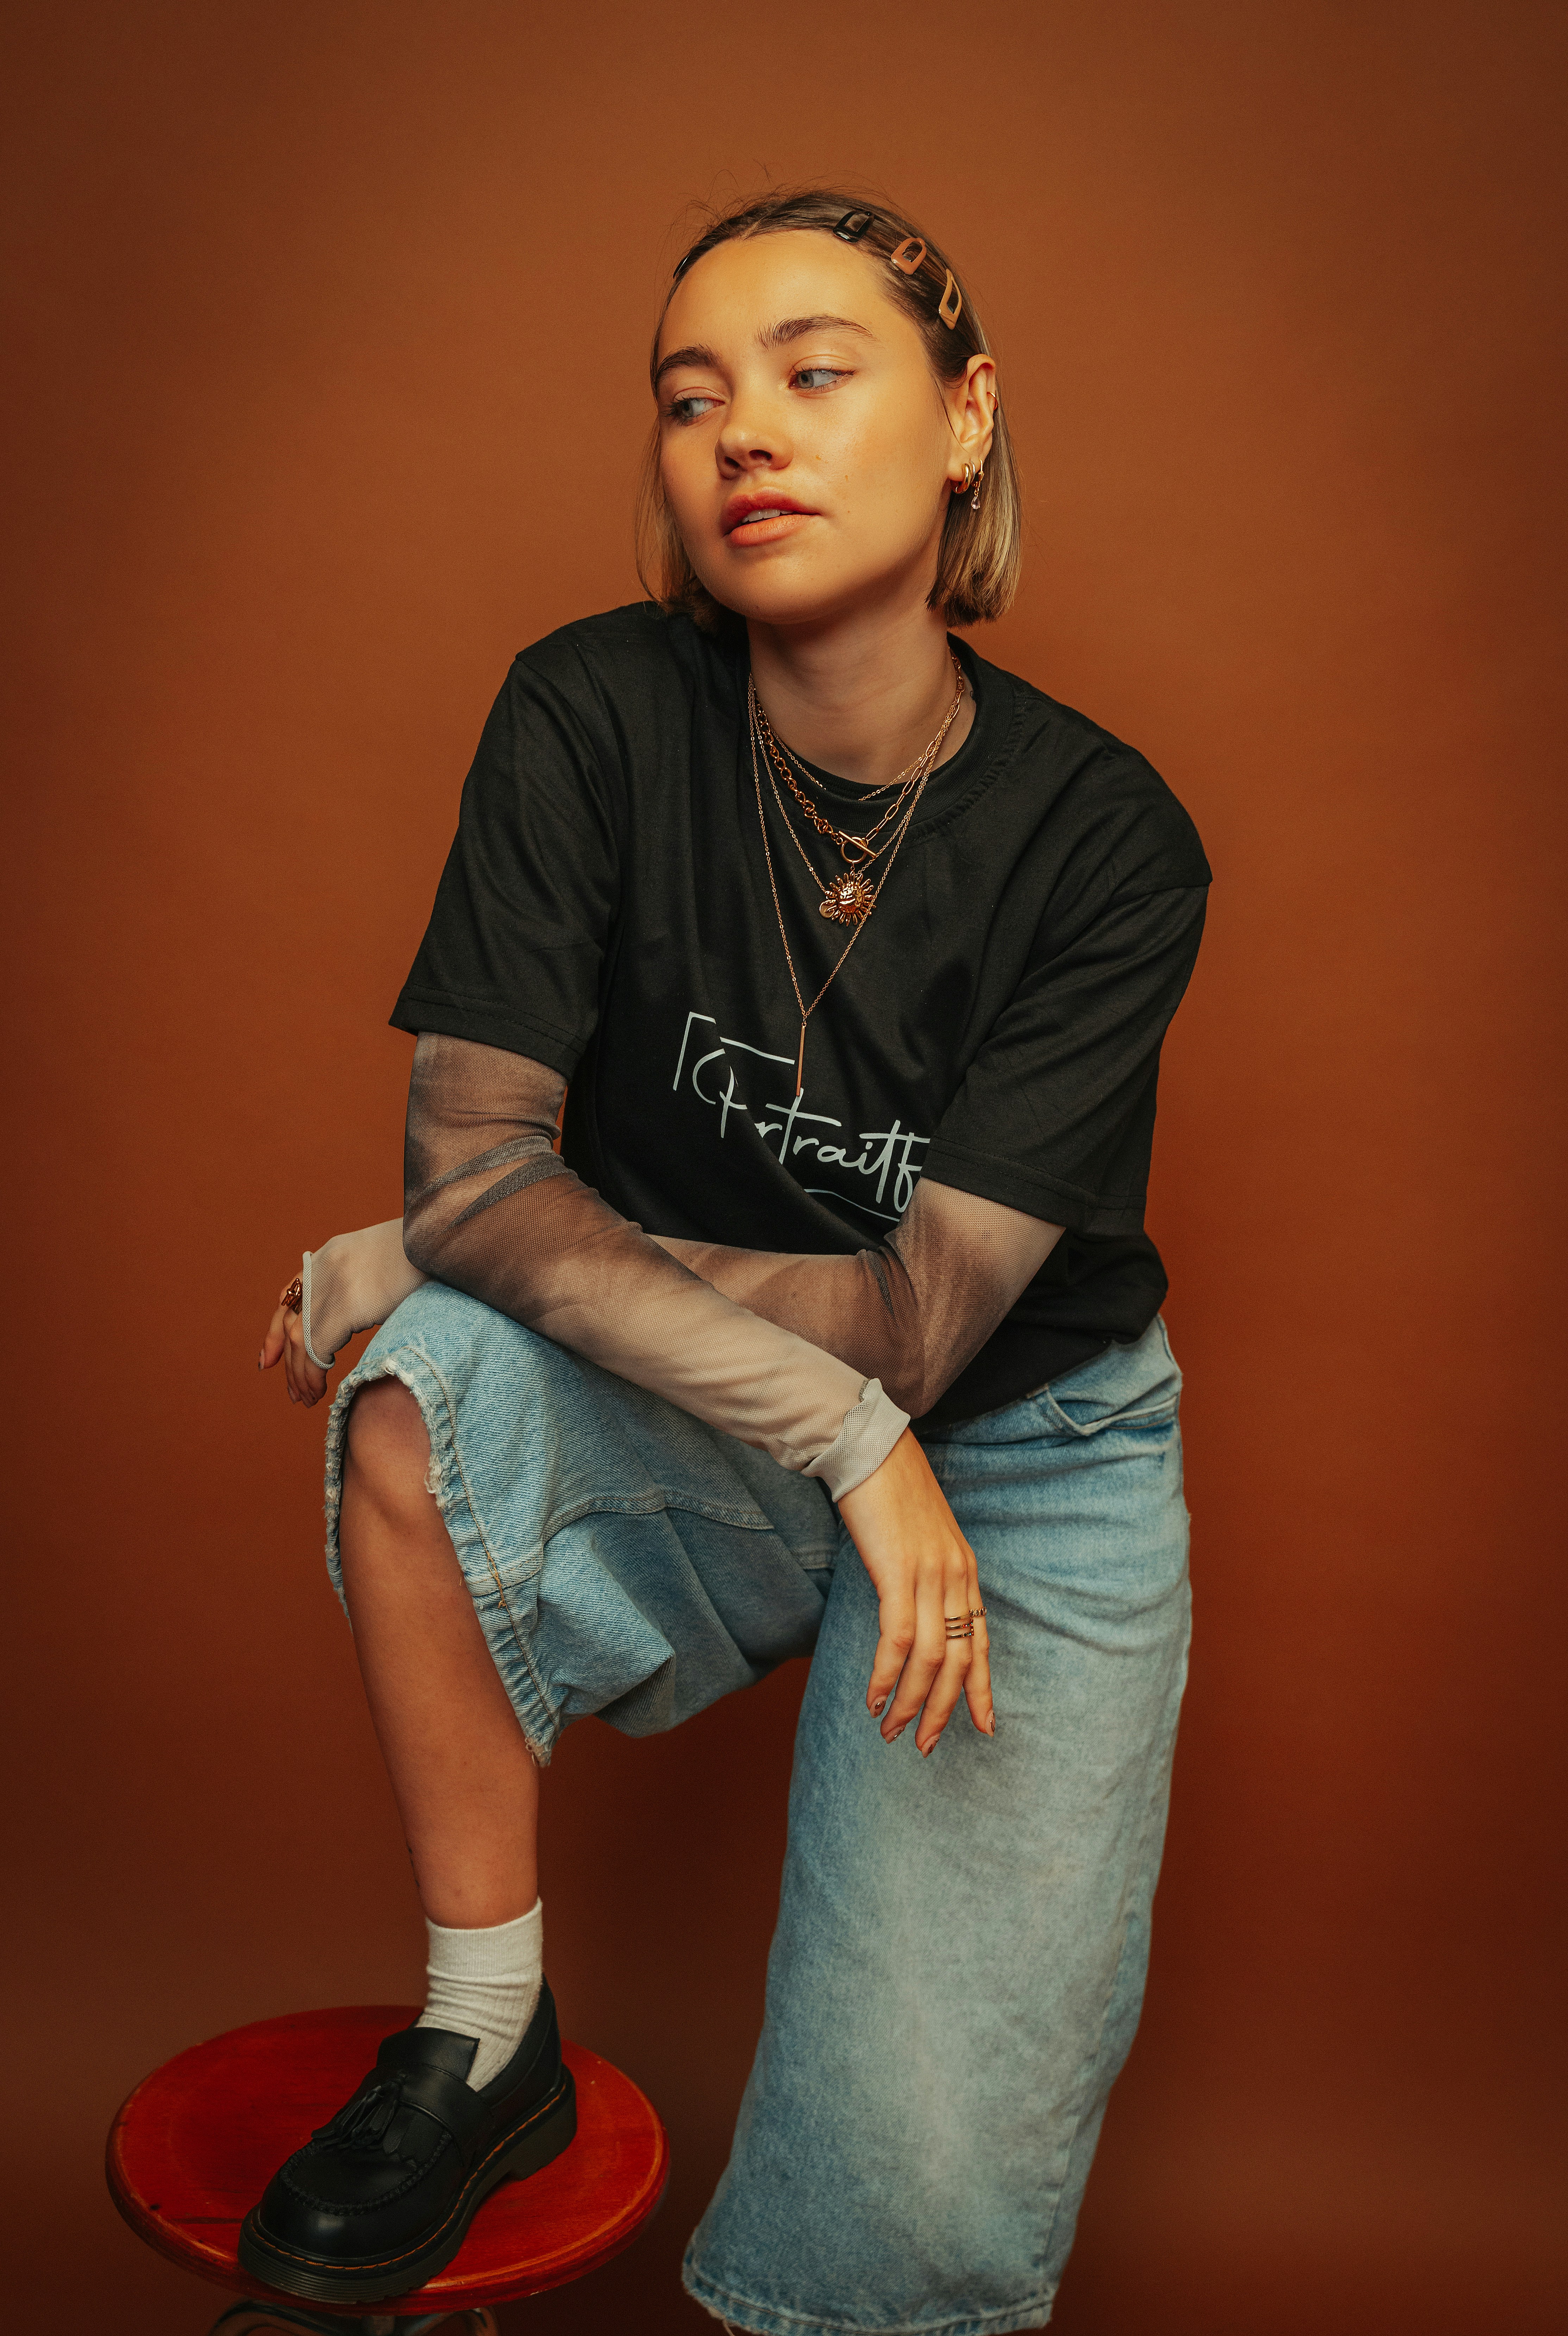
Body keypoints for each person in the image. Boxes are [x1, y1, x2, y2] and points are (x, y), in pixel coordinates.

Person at [245, 187, 1209, 2330]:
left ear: (964, 422)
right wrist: (494, 1271)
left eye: (809, 371)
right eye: (690, 398)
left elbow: (919, 1319)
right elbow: (478, 1171)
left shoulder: (1104, 838)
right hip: (711, 1405)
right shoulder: (586, 715)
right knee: (432, 1391)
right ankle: (483, 2032)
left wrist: (459, 1249)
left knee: (910, 2199)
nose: (739, 433)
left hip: (1026, 1455)